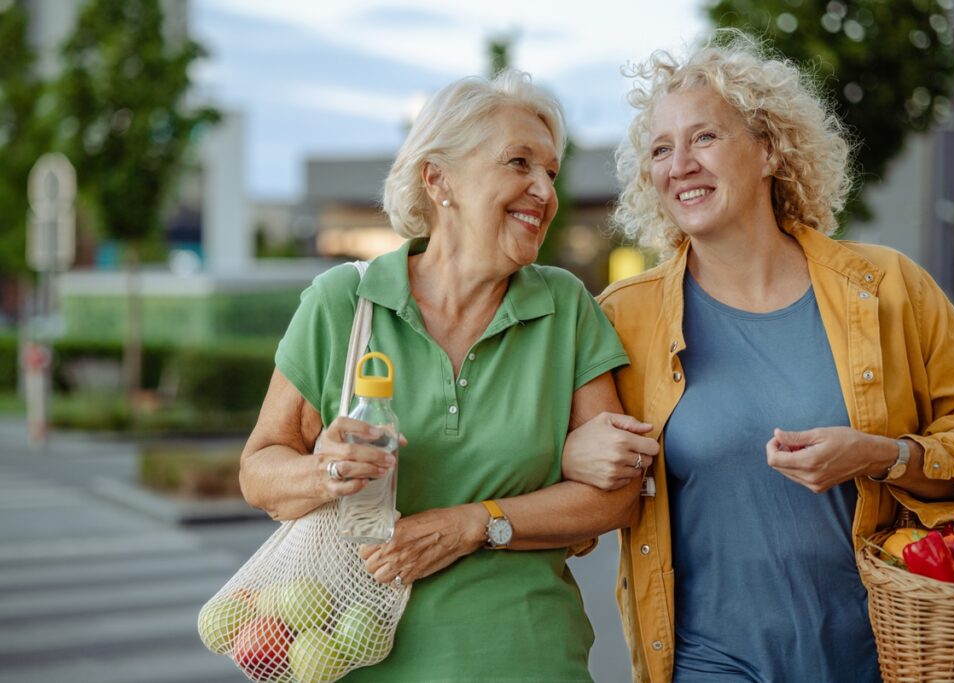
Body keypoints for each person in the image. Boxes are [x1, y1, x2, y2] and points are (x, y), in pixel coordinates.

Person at [562, 32, 954, 683]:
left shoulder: (888, 288)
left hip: (885, 656)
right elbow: (562, 495)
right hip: (707, 660)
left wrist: (882, 454)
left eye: (705, 138)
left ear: (769, 149)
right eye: (661, 149)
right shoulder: (621, 318)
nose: (679, 163)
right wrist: (568, 453)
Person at [239, 69, 659, 682]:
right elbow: (259, 470)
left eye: (551, 171)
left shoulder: (565, 307)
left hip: (528, 657)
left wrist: (472, 523)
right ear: (438, 179)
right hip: (358, 659)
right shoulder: (342, 304)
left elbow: (616, 495)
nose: (543, 189)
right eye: (519, 162)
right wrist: (327, 471)